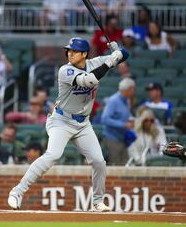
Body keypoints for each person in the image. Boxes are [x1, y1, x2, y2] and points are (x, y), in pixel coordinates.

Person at [7, 37, 129, 211]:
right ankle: (17, 192)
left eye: (74, 51)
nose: (70, 53)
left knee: (99, 161)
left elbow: (126, 55)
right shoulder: (65, 70)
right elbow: (90, 81)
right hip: (61, 120)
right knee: (53, 155)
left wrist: (117, 51)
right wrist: (111, 61)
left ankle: (97, 201)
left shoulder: (95, 62)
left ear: (84, 54)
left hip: (83, 123)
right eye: (69, 50)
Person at [101, 78, 135, 165]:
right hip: (112, 139)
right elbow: (105, 119)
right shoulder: (113, 100)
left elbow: (124, 116)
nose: (133, 91)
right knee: (115, 167)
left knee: (125, 165)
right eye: (133, 89)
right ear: (129, 89)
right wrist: (123, 125)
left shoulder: (126, 100)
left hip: (122, 139)